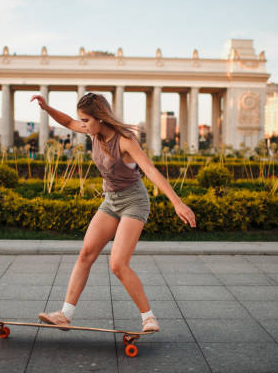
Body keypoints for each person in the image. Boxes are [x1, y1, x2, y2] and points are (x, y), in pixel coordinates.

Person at [31, 92, 196, 333]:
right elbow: (67, 122)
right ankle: (65, 315)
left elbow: (150, 170)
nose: (83, 125)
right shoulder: (93, 131)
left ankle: (148, 318)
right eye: (82, 121)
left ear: (99, 117)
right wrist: (47, 108)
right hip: (110, 202)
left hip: (134, 202)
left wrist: (177, 202)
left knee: (118, 264)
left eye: (86, 120)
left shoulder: (125, 140)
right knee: (86, 253)